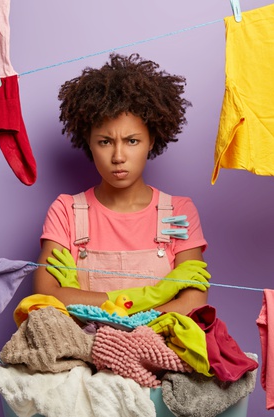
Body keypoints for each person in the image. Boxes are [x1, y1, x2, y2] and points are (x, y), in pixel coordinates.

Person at [33, 53, 210, 316]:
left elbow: (194, 303)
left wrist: (112, 313)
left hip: (157, 345)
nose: (118, 157)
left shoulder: (178, 212)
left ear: (152, 140)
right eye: (105, 141)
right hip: (83, 349)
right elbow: (47, 297)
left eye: (132, 141)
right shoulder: (66, 211)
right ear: (89, 143)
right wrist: (150, 298)